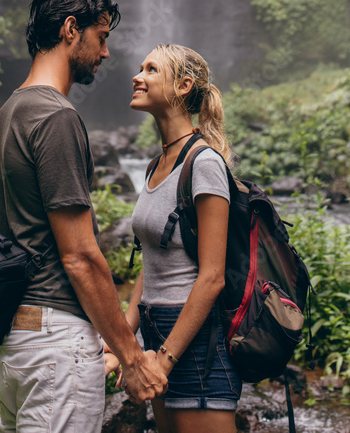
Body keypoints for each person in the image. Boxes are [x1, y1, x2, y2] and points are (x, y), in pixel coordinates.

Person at [0, 0, 167, 433]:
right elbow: (81, 256)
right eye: (101, 37)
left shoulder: (12, 108)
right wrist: (130, 356)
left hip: (12, 342)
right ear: (71, 29)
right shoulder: (57, 117)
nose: (107, 53)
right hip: (53, 347)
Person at [105, 43, 242, 432]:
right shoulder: (156, 164)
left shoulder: (205, 164)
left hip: (193, 342)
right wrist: (124, 343)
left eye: (151, 70)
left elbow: (212, 276)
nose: (137, 76)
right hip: (156, 330)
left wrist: (162, 360)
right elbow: (153, 261)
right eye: (140, 67)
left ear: (183, 86)